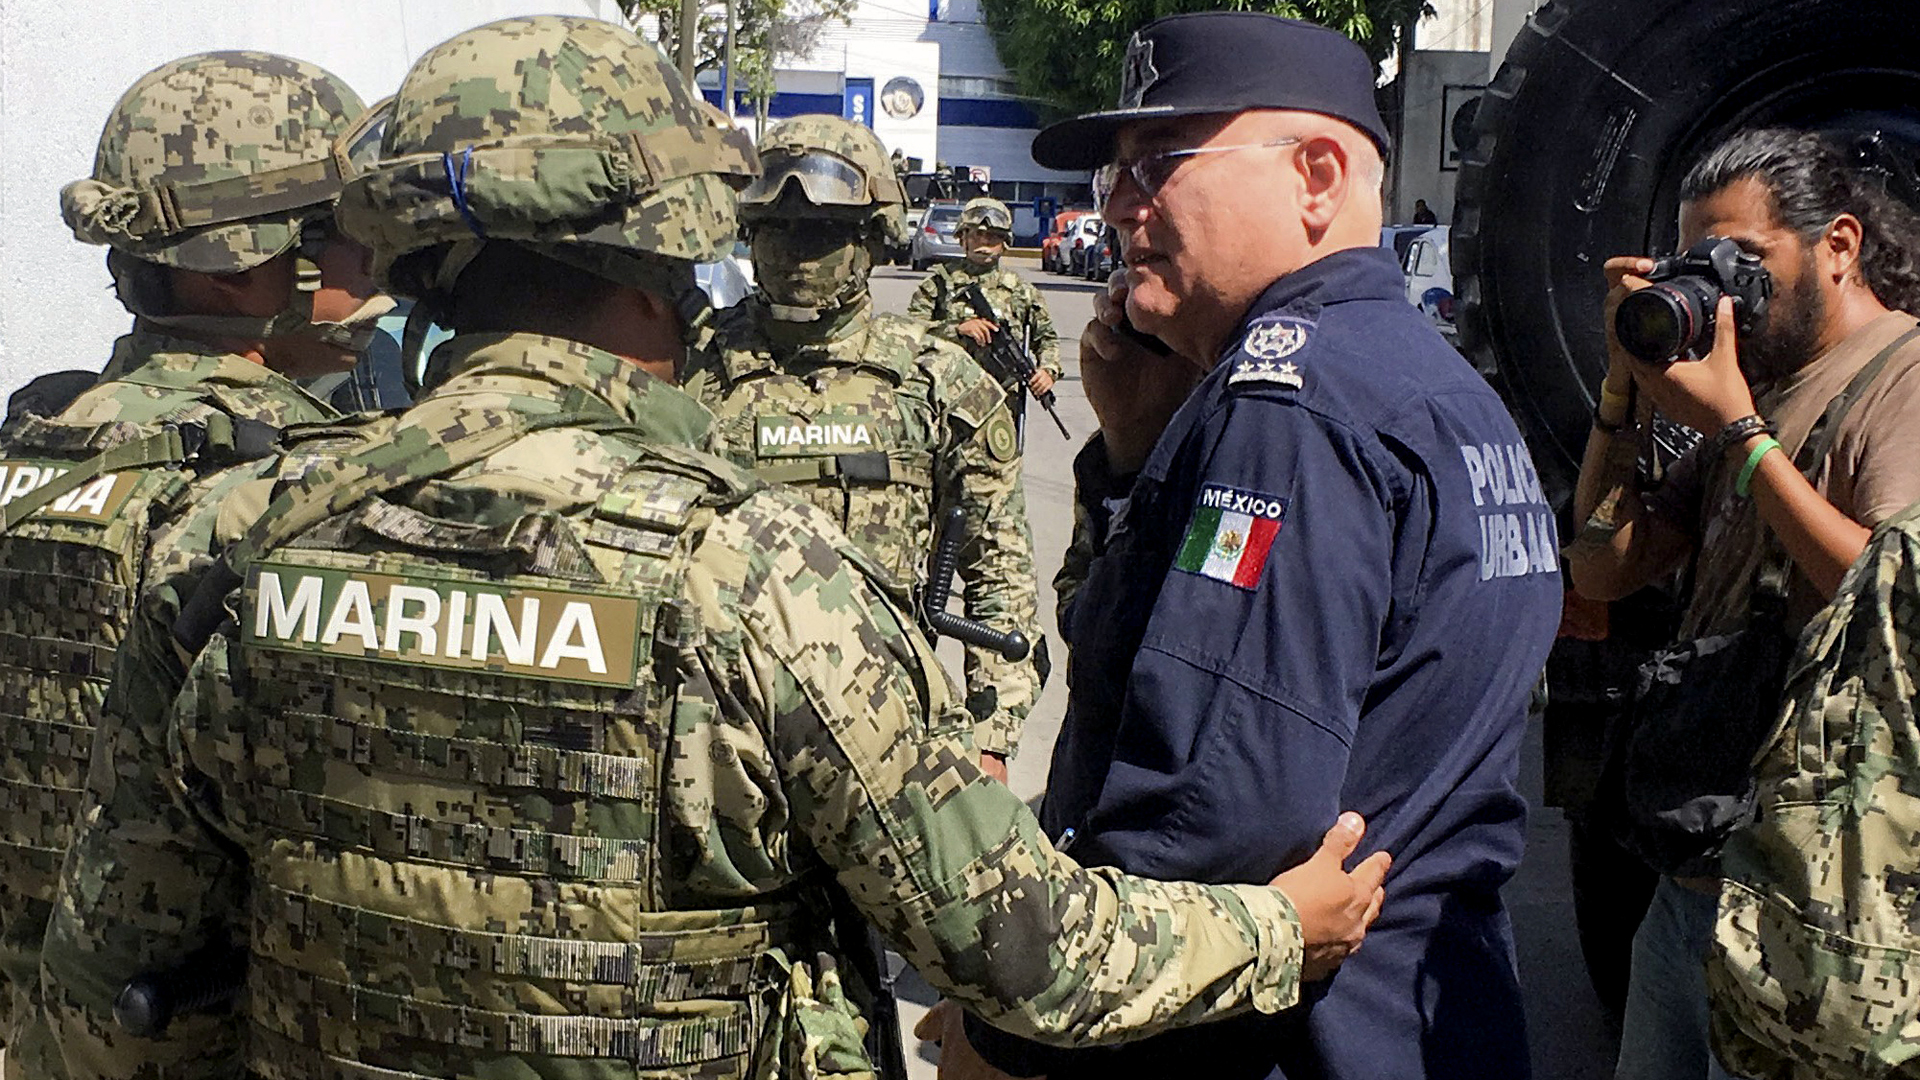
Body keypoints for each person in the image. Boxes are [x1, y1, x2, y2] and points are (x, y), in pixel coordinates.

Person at [38, 17, 1394, 1079]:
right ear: (667, 256)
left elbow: (120, 976)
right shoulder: (748, 573)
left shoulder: (234, 541)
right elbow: (1030, 951)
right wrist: (1280, 930)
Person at [928, 13, 1563, 1080]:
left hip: (1278, 1040)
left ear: (1317, 176)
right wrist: (1136, 455)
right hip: (1423, 1017)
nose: (1121, 206)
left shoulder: (1290, 405)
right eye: (1113, 177)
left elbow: (1215, 805)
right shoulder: (1434, 385)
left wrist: (1012, 1033)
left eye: (1161, 165)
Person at [0, 51, 385, 1080]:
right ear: (253, 259)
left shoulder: (30, 444)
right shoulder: (299, 496)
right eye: (352, 227)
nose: (379, 259)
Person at [1565, 127, 1920, 1080]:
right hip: (1697, 871)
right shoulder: (1761, 389)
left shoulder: (1902, 377)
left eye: (1744, 260)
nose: (1724, 292)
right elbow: (1602, 567)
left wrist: (1743, 432)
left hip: (1813, 885)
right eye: (1701, 266)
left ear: (1839, 245)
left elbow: (1890, 587)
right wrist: (1620, 392)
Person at [682, 115, 1044, 780]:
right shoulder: (692, 371)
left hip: (889, 748)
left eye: (822, 231)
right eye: (777, 229)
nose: (796, 251)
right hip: (718, 746)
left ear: (874, 239)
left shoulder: (939, 383)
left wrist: (992, 738)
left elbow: (1001, 574)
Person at [906, 198, 1063, 420]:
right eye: (975, 235)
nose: (984, 242)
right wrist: (957, 330)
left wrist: (1048, 370)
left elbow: (1046, 339)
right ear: (962, 239)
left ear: (1005, 243)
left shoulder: (1022, 291)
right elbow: (909, 333)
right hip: (944, 401)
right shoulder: (939, 284)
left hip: (1001, 405)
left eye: (992, 236)